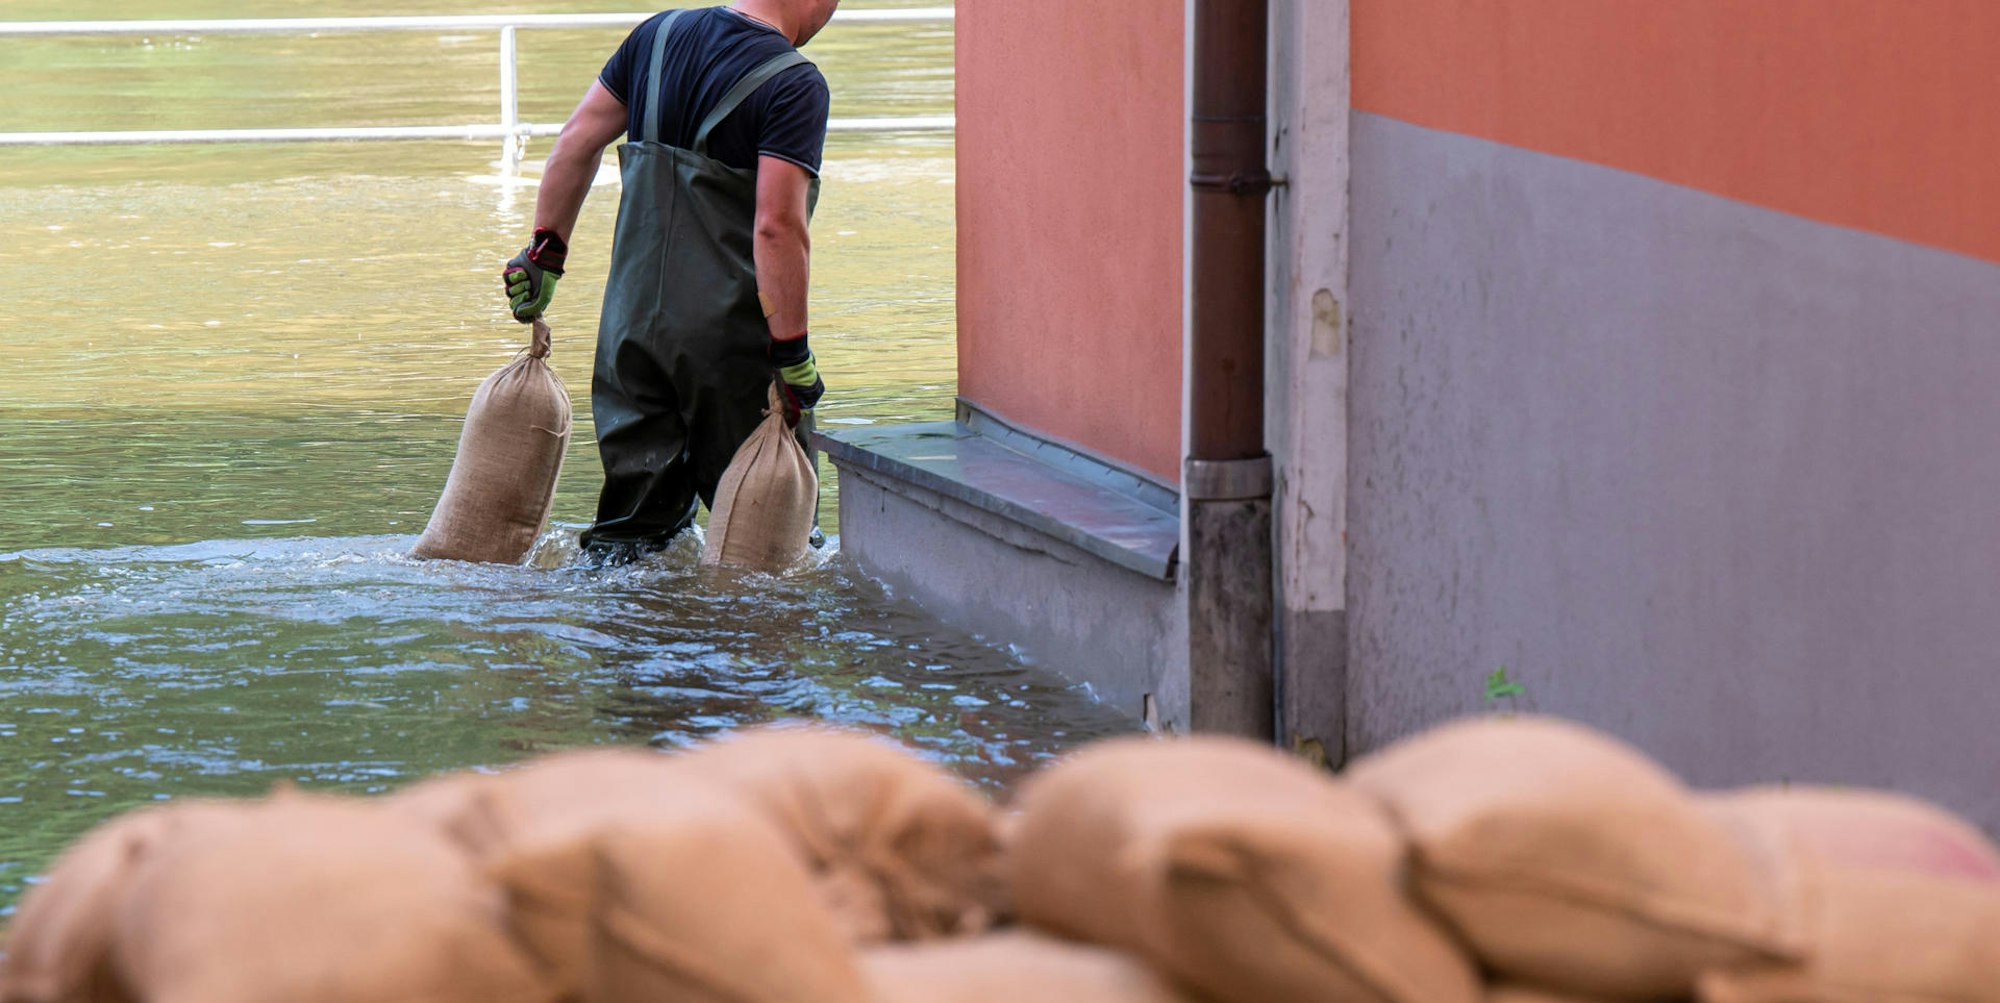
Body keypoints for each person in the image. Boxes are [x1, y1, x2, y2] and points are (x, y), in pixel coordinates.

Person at [502, 0, 837, 561]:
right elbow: (778, 227)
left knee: (631, 543)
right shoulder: (795, 82)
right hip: (728, 347)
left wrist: (545, 253)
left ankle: (622, 642)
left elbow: (577, 140)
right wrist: (793, 353)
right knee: (776, 546)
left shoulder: (656, 36)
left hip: (628, 334)